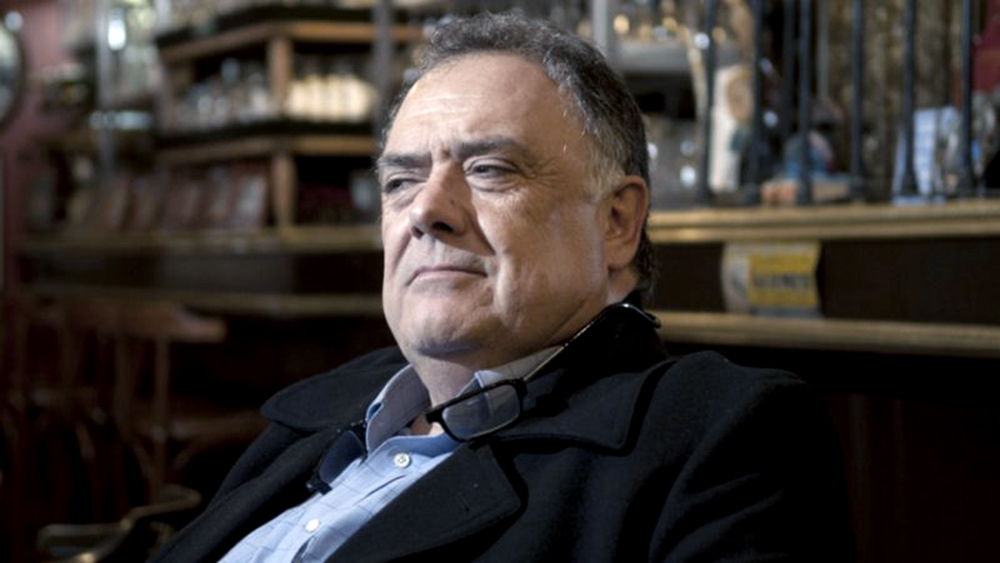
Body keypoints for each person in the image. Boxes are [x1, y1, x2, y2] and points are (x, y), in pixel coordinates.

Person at [150, 12, 854, 562]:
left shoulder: (714, 436)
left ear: (617, 222)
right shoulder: (322, 412)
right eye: (401, 181)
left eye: (489, 170)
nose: (427, 209)